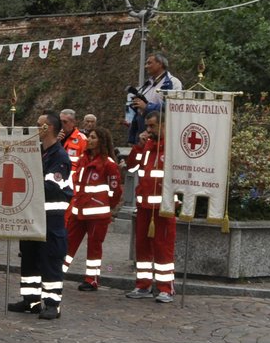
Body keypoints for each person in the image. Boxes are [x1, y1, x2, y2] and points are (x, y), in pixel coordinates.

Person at [9, 111, 72, 319]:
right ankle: (31, 300)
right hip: (32, 216)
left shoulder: (59, 157)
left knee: (50, 261)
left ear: (50, 128)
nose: (36, 128)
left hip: (50, 220)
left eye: (39, 125)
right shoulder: (37, 152)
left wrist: (27, 181)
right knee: (29, 258)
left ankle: (53, 304)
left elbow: (51, 186)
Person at [125, 111, 177, 302]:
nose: (148, 130)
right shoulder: (146, 146)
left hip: (164, 207)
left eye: (152, 126)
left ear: (163, 126)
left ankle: (166, 288)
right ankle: (143, 285)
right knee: (142, 247)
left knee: (163, 248)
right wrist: (137, 147)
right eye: (146, 126)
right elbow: (131, 168)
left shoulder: (172, 149)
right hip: (144, 205)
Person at [64, 126, 122, 291]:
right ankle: (57, 272)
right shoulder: (83, 160)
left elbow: (116, 190)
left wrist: (104, 205)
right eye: (89, 137)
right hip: (78, 211)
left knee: (94, 248)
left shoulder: (109, 164)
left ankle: (91, 279)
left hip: (97, 215)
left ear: (101, 141)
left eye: (93, 137)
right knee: (68, 243)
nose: (89, 140)